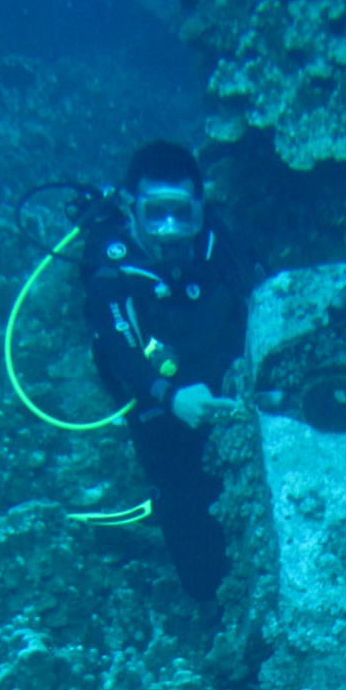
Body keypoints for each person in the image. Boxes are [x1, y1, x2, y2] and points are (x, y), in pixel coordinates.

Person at [81, 142, 250, 600]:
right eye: (156, 214)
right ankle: (214, 615)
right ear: (131, 207)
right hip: (157, 402)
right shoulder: (110, 264)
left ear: (199, 208)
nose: (171, 231)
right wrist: (170, 396)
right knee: (189, 520)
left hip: (222, 391)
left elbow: (251, 299)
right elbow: (118, 351)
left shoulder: (217, 241)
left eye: (182, 214)